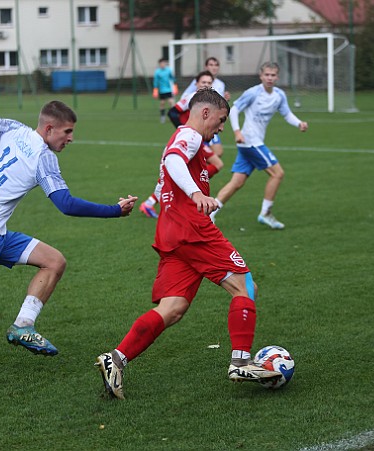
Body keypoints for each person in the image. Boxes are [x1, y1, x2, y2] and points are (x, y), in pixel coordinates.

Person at [95, 88, 282, 400]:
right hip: (191, 227)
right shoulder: (190, 135)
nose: (222, 127)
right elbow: (173, 160)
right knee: (245, 287)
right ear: (205, 112)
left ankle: (115, 360)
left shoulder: (186, 139)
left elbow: (166, 172)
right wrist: (196, 194)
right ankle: (241, 361)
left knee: (173, 308)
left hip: (170, 231)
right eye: (221, 120)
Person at [0, 101, 137, 356]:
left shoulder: (13, 129)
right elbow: (66, 204)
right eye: (67, 132)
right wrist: (115, 210)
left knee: (54, 261)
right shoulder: (43, 158)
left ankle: (23, 326)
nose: (71, 138)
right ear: (49, 129)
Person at [210, 62, 308, 229]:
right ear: (261, 76)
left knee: (237, 182)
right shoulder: (253, 93)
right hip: (249, 142)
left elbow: (286, 113)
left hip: (250, 144)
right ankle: (266, 213)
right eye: (267, 75)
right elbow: (234, 109)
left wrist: (299, 123)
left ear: (277, 77)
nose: (270, 78)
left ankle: (210, 213)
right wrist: (237, 131)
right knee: (277, 174)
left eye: (273, 75)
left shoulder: (279, 95)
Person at [140, 71, 223, 218]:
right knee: (216, 164)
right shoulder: (191, 98)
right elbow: (172, 112)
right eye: (203, 82)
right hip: (189, 139)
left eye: (209, 83)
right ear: (196, 84)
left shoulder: (210, 101)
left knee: (213, 163)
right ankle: (152, 201)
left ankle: (152, 201)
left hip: (197, 139)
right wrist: (184, 130)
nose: (206, 85)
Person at [181, 57, 230, 158]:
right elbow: (185, 98)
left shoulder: (220, 84)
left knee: (216, 154)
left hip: (214, 123)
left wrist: (224, 100)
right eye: (211, 65)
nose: (214, 67)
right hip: (200, 123)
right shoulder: (199, 81)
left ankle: (200, 172)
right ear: (206, 67)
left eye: (216, 65)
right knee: (213, 156)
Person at [152, 58, 177, 124]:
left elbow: (172, 78)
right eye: (161, 63)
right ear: (159, 64)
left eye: (164, 63)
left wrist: (175, 86)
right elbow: (156, 81)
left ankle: (173, 116)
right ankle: (162, 117)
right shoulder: (157, 72)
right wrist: (155, 89)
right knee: (162, 103)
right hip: (161, 90)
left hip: (168, 89)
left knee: (171, 102)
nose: (162, 64)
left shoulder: (168, 70)